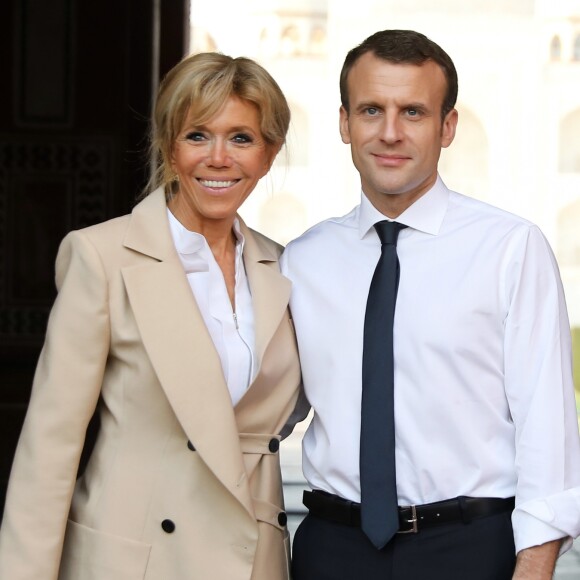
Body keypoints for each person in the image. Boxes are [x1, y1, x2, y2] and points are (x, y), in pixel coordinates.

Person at [281, 29, 580, 580]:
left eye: (413, 112)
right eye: (372, 109)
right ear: (344, 123)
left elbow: (548, 431)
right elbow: (266, 411)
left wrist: (534, 568)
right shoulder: (302, 261)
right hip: (332, 551)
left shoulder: (510, 249)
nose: (390, 133)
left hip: (468, 550)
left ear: (447, 127)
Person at [0, 52, 305, 580]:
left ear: (269, 153)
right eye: (197, 136)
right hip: (134, 559)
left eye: (241, 138)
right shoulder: (103, 256)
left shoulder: (286, 266)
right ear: (168, 144)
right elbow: (49, 450)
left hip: (249, 559)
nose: (218, 158)